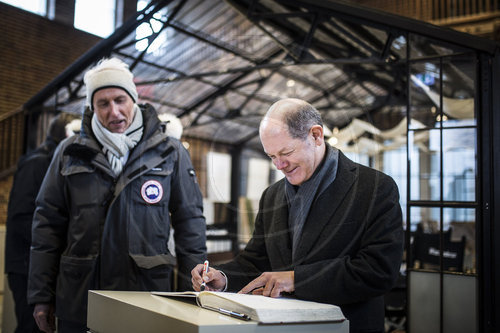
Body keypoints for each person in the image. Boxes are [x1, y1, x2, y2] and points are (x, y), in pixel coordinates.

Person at [191, 98, 404, 333]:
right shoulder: (271, 196)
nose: (279, 165)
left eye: (286, 152)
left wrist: (296, 279)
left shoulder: (374, 188)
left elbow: (379, 271)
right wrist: (222, 277)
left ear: (316, 135)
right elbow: (256, 261)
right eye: (271, 156)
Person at [28, 57, 207, 333]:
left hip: (147, 294)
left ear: (133, 99)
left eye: (120, 100)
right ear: (92, 107)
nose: (114, 111)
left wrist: (191, 292)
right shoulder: (69, 151)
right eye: (103, 103)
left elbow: (190, 223)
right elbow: (47, 225)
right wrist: (41, 295)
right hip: (81, 295)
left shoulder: (170, 151)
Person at [5, 112, 78, 333]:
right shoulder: (37, 163)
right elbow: (22, 218)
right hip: (27, 266)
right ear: (65, 135)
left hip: (39, 265)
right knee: (31, 327)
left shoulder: (53, 161)